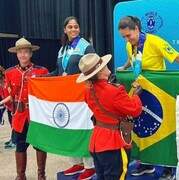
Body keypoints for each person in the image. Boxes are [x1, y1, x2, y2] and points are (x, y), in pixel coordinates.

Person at [117, 15, 179, 180]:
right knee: (142, 129)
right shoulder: (129, 45)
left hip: (160, 95)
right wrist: (124, 67)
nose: (126, 39)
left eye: (128, 35)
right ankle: (147, 163)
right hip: (141, 94)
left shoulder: (156, 42)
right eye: (123, 37)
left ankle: (169, 167)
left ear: (137, 29)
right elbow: (131, 60)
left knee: (165, 128)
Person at [76, 53, 143, 179]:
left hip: (97, 141)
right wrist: (136, 95)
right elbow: (135, 110)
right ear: (100, 71)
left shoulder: (87, 91)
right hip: (113, 143)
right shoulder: (115, 91)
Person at [50, 16, 96, 180]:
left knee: (84, 128)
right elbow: (57, 72)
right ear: (65, 30)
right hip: (67, 97)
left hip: (82, 95)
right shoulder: (62, 50)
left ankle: (89, 166)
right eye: (70, 27)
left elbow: (94, 67)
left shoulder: (86, 46)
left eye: (76, 27)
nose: (73, 29)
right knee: (69, 127)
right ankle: (77, 163)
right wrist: (42, 78)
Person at [0, 37, 49, 180]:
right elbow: (10, 96)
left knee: (40, 146)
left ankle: (42, 175)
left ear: (31, 53)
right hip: (19, 116)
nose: (23, 55)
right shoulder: (10, 73)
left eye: (26, 52)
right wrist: (3, 103)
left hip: (36, 116)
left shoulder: (41, 71)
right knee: (20, 146)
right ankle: (20, 175)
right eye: (20, 52)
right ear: (16, 54)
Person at [0, 65, 16, 149]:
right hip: (9, 108)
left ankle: (15, 142)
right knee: (11, 124)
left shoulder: (7, 83)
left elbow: (11, 96)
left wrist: (1, 102)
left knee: (15, 125)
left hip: (15, 107)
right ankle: (13, 139)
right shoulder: (0, 85)